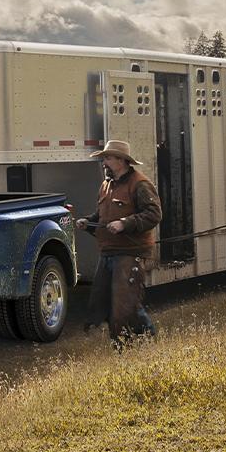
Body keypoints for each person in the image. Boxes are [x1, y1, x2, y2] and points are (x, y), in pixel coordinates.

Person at [75, 139, 162, 348]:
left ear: (122, 161)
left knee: (124, 304)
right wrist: (88, 222)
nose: (104, 162)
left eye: (108, 158)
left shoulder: (140, 184)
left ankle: (145, 341)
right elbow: (103, 215)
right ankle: (128, 345)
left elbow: (154, 214)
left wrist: (125, 224)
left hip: (130, 252)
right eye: (104, 158)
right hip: (108, 252)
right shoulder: (106, 185)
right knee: (105, 302)